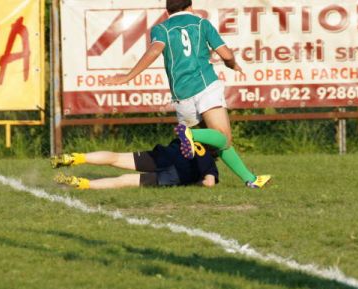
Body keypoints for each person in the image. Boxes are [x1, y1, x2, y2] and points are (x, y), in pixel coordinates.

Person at [103, 0, 271, 189]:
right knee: (223, 138)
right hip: (205, 86)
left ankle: (250, 180)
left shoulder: (161, 29)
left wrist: (128, 76)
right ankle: (192, 139)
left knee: (212, 142)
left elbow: (155, 50)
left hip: (182, 96)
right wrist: (231, 63)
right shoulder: (201, 23)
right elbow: (226, 54)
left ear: (167, 11)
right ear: (190, 6)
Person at [51, 138, 218, 190]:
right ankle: (78, 183)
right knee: (123, 181)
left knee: (115, 158)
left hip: (162, 157)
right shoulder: (209, 161)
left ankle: (73, 158)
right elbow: (209, 182)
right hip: (172, 175)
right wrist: (195, 182)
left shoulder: (189, 138)